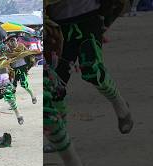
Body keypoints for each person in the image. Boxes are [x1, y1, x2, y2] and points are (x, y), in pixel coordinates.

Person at [47, 0, 134, 135]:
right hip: (58, 25)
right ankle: (59, 134)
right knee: (55, 83)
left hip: (89, 18)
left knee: (92, 70)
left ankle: (119, 104)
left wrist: (106, 21)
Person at [44, 1, 88, 166]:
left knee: (52, 92)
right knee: (53, 90)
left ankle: (72, 162)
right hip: (52, 29)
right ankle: (73, 163)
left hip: (56, 31)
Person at [5, 34, 40, 104]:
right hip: (13, 70)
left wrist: (31, 59)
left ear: (16, 40)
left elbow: (28, 53)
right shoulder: (8, 50)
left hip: (22, 68)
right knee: (13, 87)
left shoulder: (21, 46)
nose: (12, 42)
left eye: (13, 40)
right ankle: (13, 102)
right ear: (8, 42)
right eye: (10, 41)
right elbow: (7, 59)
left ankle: (33, 96)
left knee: (24, 84)